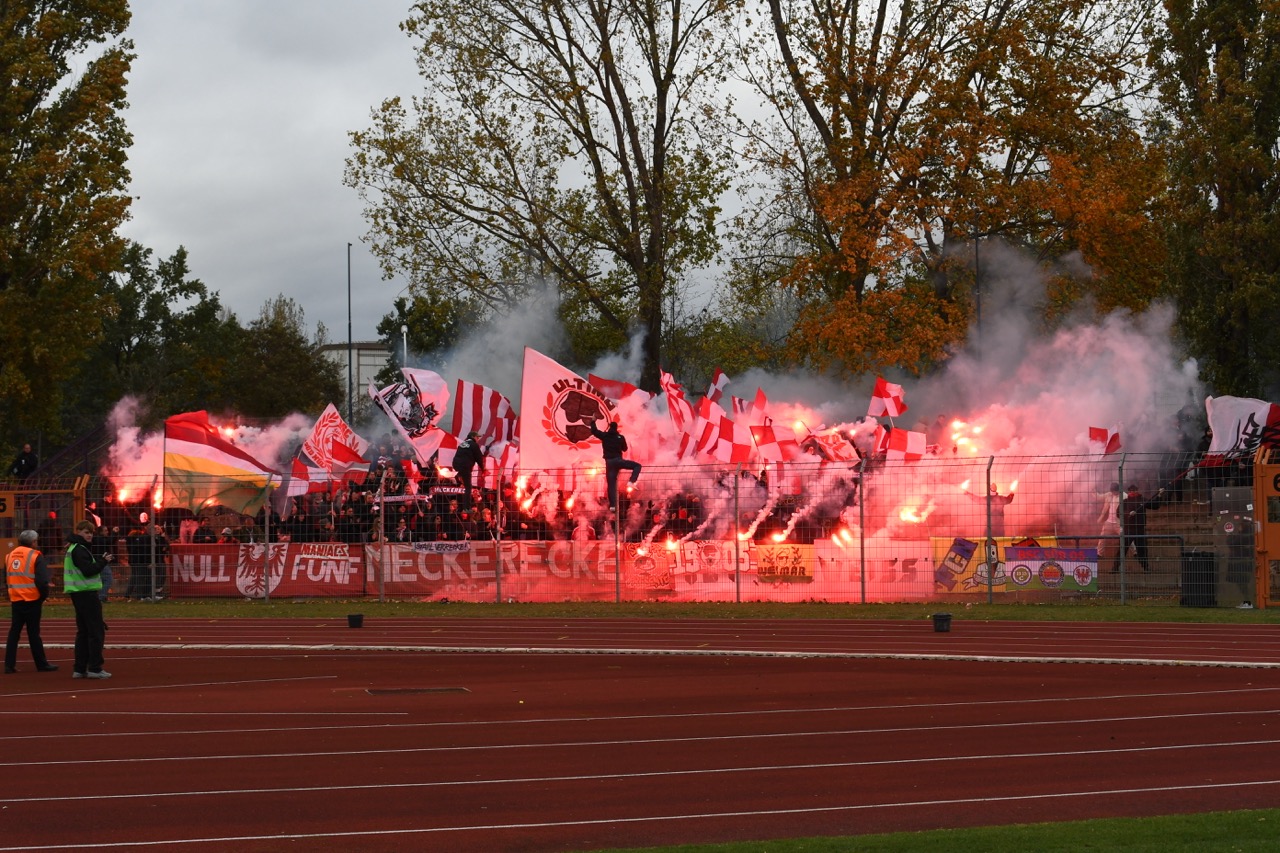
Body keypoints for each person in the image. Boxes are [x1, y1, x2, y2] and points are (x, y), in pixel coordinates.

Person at [64, 521, 112, 679]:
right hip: (86, 594)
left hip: (79, 594)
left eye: (91, 532)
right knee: (95, 632)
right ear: (78, 532)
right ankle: (95, 667)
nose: (90, 535)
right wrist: (103, 562)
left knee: (83, 632)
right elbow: (88, 571)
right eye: (86, 532)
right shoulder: (79, 549)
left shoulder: (74, 548)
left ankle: (79, 668)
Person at [5, 530, 58, 673]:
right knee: (33, 633)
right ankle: (41, 664)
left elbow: (7, 577)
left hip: (16, 598)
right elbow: (42, 580)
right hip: (32, 599)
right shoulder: (35, 555)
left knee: (14, 633)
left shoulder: (9, 556)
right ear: (33, 542)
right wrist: (43, 596)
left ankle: (9, 665)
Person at [589, 418, 642, 511]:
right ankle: (631, 481)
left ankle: (612, 505)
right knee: (637, 466)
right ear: (617, 428)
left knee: (611, 485)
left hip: (609, 463)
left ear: (609, 427)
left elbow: (594, 431)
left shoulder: (604, 436)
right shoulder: (620, 437)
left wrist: (593, 421)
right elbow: (625, 449)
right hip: (618, 461)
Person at [452, 431, 486, 510]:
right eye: (477, 437)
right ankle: (467, 507)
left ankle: (458, 477)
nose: (478, 439)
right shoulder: (474, 445)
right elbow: (479, 458)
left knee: (462, 479)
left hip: (456, 465)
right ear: (473, 437)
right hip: (465, 466)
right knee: (468, 487)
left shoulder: (462, 444)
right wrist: (483, 469)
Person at [1122, 484, 1150, 571]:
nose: (1132, 492)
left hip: (1140, 529)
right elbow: (1118, 513)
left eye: (1134, 490)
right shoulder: (1125, 502)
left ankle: (1145, 567)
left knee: (1142, 550)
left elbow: (1154, 505)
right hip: (1128, 529)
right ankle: (1115, 567)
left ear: (1137, 490)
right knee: (1122, 549)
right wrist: (1128, 514)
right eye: (1131, 490)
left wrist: (1159, 496)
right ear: (1129, 491)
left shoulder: (1142, 500)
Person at [1097, 482, 1122, 571]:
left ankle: (1135, 552)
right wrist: (1092, 491)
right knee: (1102, 537)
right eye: (1112, 491)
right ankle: (1100, 553)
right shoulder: (1109, 495)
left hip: (1119, 522)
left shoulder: (1124, 496)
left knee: (1126, 538)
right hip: (1109, 522)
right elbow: (1099, 497)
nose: (1113, 493)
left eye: (1114, 491)